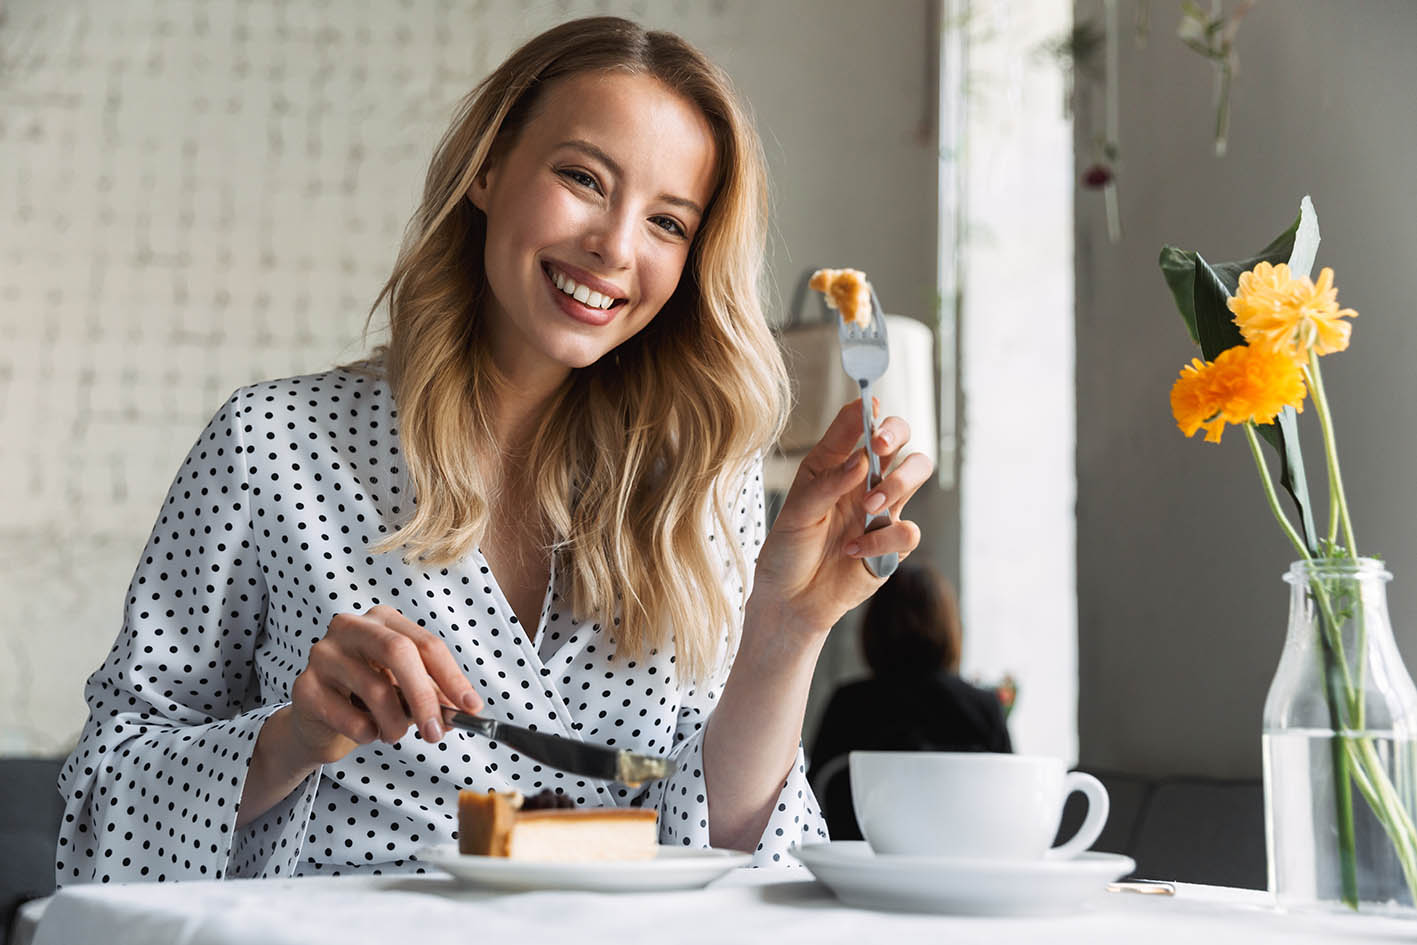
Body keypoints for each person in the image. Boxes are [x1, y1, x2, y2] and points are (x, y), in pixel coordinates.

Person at [55, 16, 932, 883]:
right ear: (486, 167)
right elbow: (98, 816)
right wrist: (291, 735)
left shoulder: (704, 485)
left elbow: (724, 843)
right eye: (583, 177)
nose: (615, 246)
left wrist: (787, 629)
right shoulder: (272, 444)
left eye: (668, 223)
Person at [807, 563, 1011, 840]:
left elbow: (809, 801)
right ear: (950, 626)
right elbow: (1009, 800)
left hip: (861, 862)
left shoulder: (849, 704)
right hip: (962, 862)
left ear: (873, 627)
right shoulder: (983, 707)